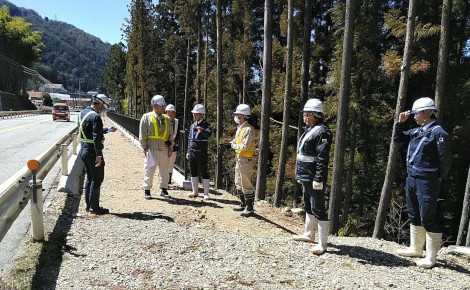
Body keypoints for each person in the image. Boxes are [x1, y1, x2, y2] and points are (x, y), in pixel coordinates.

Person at [394, 97, 452, 269]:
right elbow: (398, 139)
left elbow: (445, 160)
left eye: (416, 113)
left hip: (427, 180)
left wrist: (437, 178)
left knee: (428, 216)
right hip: (412, 177)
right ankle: (416, 248)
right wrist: (400, 123)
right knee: (414, 213)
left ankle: (431, 256)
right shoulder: (417, 131)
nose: (414, 116)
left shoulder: (439, 133)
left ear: (428, 112)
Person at [293, 98, 332, 255]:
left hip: (313, 175)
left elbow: (322, 158)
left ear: (315, 114)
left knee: (318, 207)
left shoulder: (322, 132)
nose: (304, 116)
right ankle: (309, 234)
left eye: (307, 113)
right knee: (308, 204)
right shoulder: (310, 129)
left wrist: (319, 178)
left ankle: (322, 244)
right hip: (305, 173)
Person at [78, 94, 116, 215]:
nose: (103, 109)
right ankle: (95, 207)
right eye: (103, 106)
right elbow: (96, 138)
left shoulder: (83, 113)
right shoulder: (96, 117)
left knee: (89, 178)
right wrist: (98, 155)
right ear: (99, 104)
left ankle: (89, 206)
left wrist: (107, 130)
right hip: (93, 152)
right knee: (97, 179)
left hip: (83, 150)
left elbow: (90, 131)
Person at [139, 95, 174, 199]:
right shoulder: (147, 117)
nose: (163, 108)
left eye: (163, 106)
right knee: (149, 169)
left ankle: (164, 189)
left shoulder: (167, 119)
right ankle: (147, 190)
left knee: (164, 171)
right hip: (151, 148)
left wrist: (170, 147)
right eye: (161, 106)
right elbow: (143, 133)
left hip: (163, 148)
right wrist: (144, 147)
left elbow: (170, 135)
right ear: (154, 106)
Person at [230, 104, 256, 216]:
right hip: (240, 158)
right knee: (238, 181)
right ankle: (243, 204)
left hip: (246, 158)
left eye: (238, 115)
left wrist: (232, 146)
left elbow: (244, 146)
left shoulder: (248, 129)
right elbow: (236, 141)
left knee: (246, 183)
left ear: (244, 116)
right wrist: (230, 143)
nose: (236, 117)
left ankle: (249, 207)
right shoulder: (240, 128)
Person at [186, 104, 212, 200]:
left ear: (201, 114)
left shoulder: (206, 125)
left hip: (201, 152)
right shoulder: (193, 125)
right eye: (194, 114)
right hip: (193, 151)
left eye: (196, 114)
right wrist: (188, 151)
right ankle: (195, 191)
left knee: (204, 171)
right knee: (193, 171)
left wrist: (203, 131)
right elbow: (190, 139)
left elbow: (209, 134)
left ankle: (206, 193)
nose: (194, 116)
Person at [165, 104, 179, 188]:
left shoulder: (176, 122)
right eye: (169, 112)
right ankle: (163, 181)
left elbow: (177, 135)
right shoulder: (162, 121)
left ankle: (168, 181)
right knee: (163, 164)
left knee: (171, 164)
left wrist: (173, 145)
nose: (171, 114)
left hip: (173, 145)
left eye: (172, 112)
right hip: (164, 145)